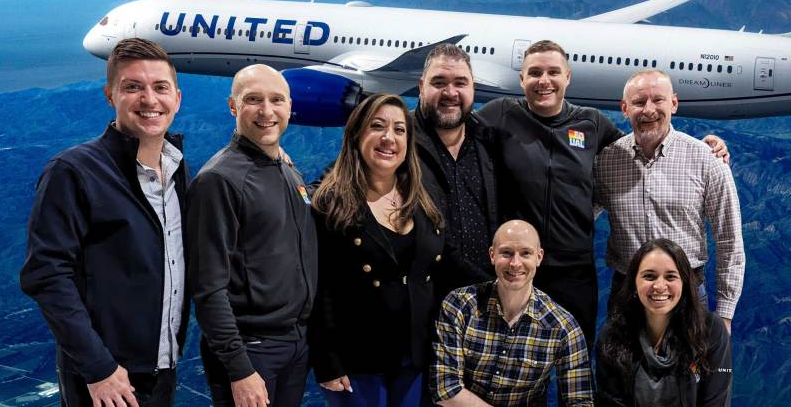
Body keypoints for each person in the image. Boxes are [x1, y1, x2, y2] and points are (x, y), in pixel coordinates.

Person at [477, 40, 729, 347]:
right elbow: (454, 135)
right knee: (515, 362)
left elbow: (646, 144)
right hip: (517, 267)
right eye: (535, 73)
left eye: (553, 72)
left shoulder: (591, 123)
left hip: (575, 273)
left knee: (577, 360)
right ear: (522, 79)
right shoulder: (499, 114)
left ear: (567, 77)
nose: (544, 80)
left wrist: (705, 148)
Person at [20, 38, 189, 406]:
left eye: (160, 87)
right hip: (106, 378)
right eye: (132, 87)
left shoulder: (178, 170)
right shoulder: (73, 171)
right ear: (110, 96)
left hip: (163, 368)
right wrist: (98, 369)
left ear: (176, 97)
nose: (149, 100)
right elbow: (45, 275)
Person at [187, 64, 317, 407]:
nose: (267, 111)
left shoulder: (286, 169)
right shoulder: (218, 180)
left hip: (295, 344)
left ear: (290, 106)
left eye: (277, 100)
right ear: (233, 106)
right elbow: (207, 287)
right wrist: (239, 368)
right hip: (252, 352)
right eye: (253, 100)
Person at [309, 93, 447, 406]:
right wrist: (327, 362)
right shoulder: (329, 204)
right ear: (357, 133)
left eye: (400, 130)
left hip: (414, 359)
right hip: (356, 364)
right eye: (378, 126)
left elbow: (442, 268)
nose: (389, 138)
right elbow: (319, 290)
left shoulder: (422, 201)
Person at [595, 69, 744, 333]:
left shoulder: (707, 160)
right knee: (620, 372)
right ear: (624, 108)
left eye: (658, 100)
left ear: (674, 104)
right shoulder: (607, 161)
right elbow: (575, 214)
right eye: (639, 102)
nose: (648, 109)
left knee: (691, 373)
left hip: (686, 294)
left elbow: (729, 241)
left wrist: (725, 315)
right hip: (626, 296)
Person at [431, 220, 594, 406]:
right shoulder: (459, 305)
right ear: (492, 255)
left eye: (525, 253)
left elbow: (580, 400)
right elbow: (445, 389)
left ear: (539, 257)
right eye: (506, 253)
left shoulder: (563, 326)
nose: (515, 263)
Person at [596, 238, 732, 406]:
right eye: (649, 276)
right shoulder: (611, 337)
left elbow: (715, 402)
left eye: (670, 276)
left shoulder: (710, 329)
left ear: (684, 283)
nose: (659, 286)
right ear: (633, 284)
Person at [415, 44, 499, 275]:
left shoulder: (492, 142)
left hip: (486, 296)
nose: (450, 93)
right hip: (423, 299)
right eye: (439, 83)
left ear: (473, 88)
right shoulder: (396, 142)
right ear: (422, 87)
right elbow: (337, 182)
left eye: (460, 83)